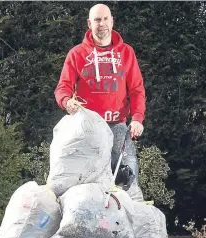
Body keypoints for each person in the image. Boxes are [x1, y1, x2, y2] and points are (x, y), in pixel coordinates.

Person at [54, 3, 145, 201]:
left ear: (112, 21)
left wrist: (137, 118)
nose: (101, 24)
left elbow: (137, 89)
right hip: (87, 132)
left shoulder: (126, 53)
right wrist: (66, 101)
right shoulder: (77, 54)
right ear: (89, 23)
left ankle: (131, 227)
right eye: (97, 20)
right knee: (84, 188)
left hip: (118, 129)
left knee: (128, 184)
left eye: (105, 19)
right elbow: (63, 88)